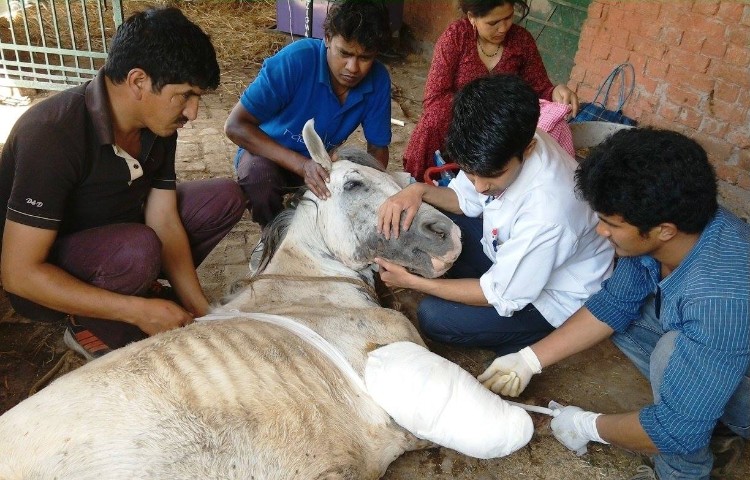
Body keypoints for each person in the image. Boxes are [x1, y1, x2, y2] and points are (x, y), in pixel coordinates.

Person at [478, 128, 750, 479]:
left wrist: (588, 425)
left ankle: (683, 471)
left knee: (672, 365)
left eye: (609, 223)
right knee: (628, 319)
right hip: (723, 349)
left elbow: (673, 432)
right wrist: (528, 360)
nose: (601, 231)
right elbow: (613, 305)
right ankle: (705, 413)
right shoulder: (667, 231)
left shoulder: (718, 299)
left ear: (663, 230)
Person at [0, 7, 246, 361]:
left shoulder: (158, 123)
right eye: (186, 95)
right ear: (138, 82)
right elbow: (18, 275)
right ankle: (84, 325)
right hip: (47, 277)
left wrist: (203, 313)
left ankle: (139, 288)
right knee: (138, 248)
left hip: (122, 239)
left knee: (224, 197)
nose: (193, 113)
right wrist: (138, 312)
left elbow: (163, 219)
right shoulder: (52, 132)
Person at [376, 74, 613, 356]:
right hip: (508, 252)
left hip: (553, 296)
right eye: (471, 173)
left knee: (433, 316)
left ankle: (526, 339)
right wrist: (417, 191)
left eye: (491, 176)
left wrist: (413, 283)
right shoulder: (495, 143)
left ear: (529, 148)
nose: (479, 186)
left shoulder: (549, 212)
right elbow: (465, 200)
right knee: (434, 222)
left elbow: (500, 294)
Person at [225, 0, 392, 230]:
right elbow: (235, 126)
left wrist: (370, 188)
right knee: (259, 179)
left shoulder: (378, 79)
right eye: (344, 53)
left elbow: (377, 150)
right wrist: (302, 165)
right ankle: (272, 236)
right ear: (327, 38)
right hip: (267, 154)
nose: (353, 68)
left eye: (365, 58)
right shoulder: (296, 60)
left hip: (321, 163)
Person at [403, 0, 580, 183]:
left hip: (500, 130)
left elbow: (540, 89)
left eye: (509, 17)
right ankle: (421, 181)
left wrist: (555, 91)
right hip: (456, 123)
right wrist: (480, 113)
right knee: (434, 118)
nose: (503, 28)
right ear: (472, 18)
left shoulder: (521, 41)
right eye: (493, 23)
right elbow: (435, 96)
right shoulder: (456, 37)